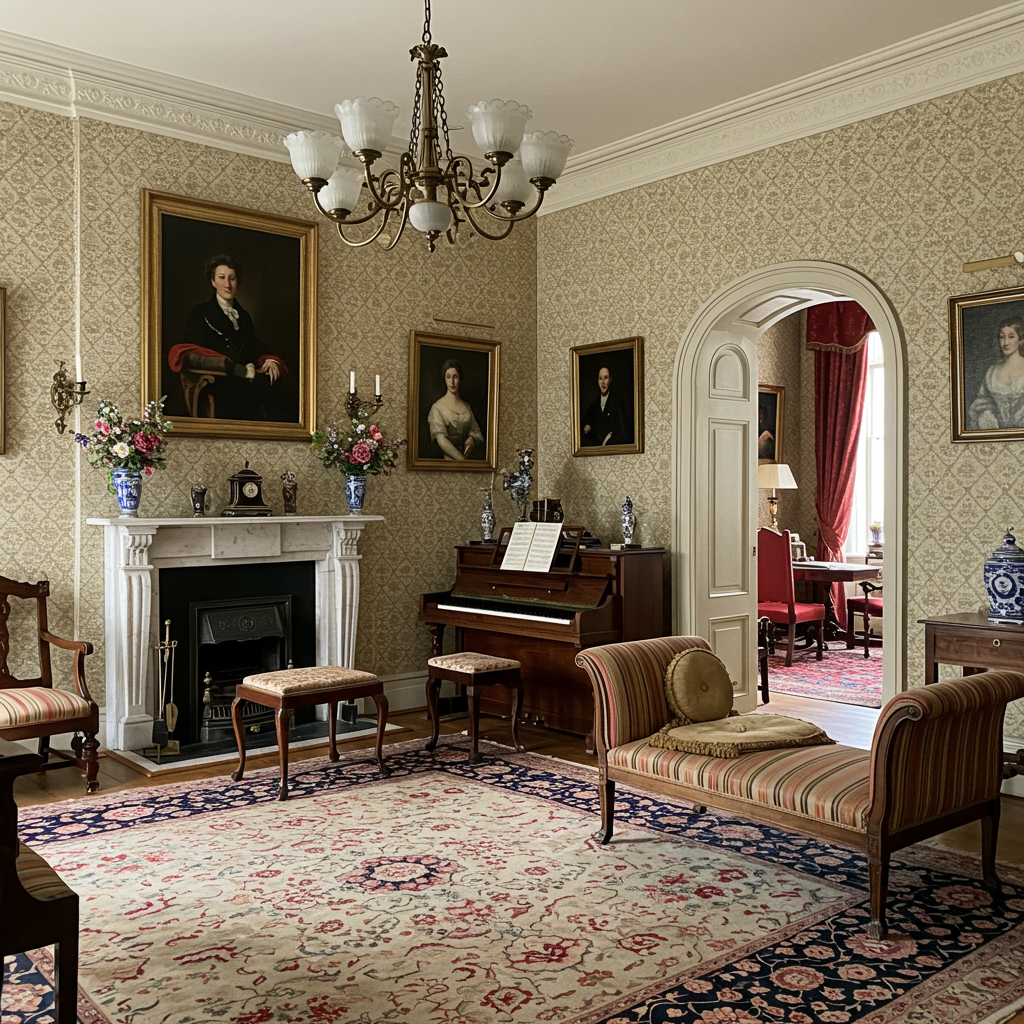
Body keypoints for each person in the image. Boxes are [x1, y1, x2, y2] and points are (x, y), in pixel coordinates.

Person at [168, 255, 288, 421]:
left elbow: (252, 345)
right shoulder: (200, 313)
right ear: (213, 281)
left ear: (238, 282)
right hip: (219, 379)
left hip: (247, 379)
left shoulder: (243, 316)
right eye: (222, 278)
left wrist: (269, 359)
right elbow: (193, 354)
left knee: (275, 388)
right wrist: (237, 369)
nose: (227, 284)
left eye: (232, 278)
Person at [968, 317, 1024, 430]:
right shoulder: (992, 371)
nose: (1005, 342)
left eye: (1011, 337)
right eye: (1001, 337)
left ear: (1021, 340)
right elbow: (982, 403)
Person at [427, 358, 484, 459]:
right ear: (444, 379)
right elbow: (441, 439)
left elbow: (476, 431)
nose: (452, 382)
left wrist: (472, 438)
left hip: (468, 458)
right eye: (448, 377)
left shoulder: (466, 406)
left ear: (460, 378)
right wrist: (462, 461)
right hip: (449, 462)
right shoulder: (437, 407)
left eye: (455, 377)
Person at [581, 366, 629, 446]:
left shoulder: (618, 402)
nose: (603, 382)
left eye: (606, 378)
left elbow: (623, 433)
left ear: (610, 380)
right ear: (598, 381)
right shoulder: (594, 405)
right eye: (600, 378)